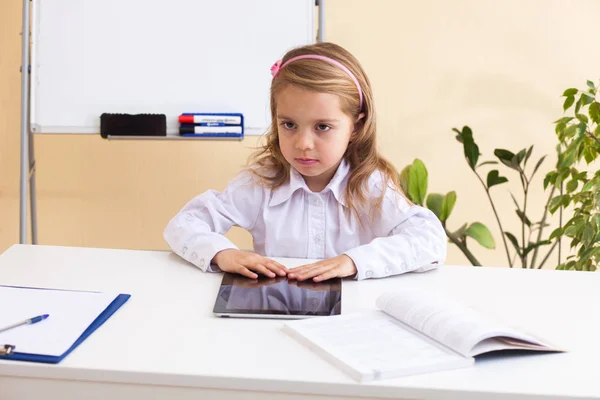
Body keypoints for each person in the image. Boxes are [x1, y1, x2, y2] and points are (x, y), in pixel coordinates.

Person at [164, 42, 446, 282]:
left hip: (351, 318)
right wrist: (222, 253)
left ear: (356, 127)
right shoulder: (262, 181)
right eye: (289, 124)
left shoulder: (370, 185)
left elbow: (430, 240)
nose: (303, 143)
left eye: (322, 127)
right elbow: (184, 225)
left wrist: (354, 261)